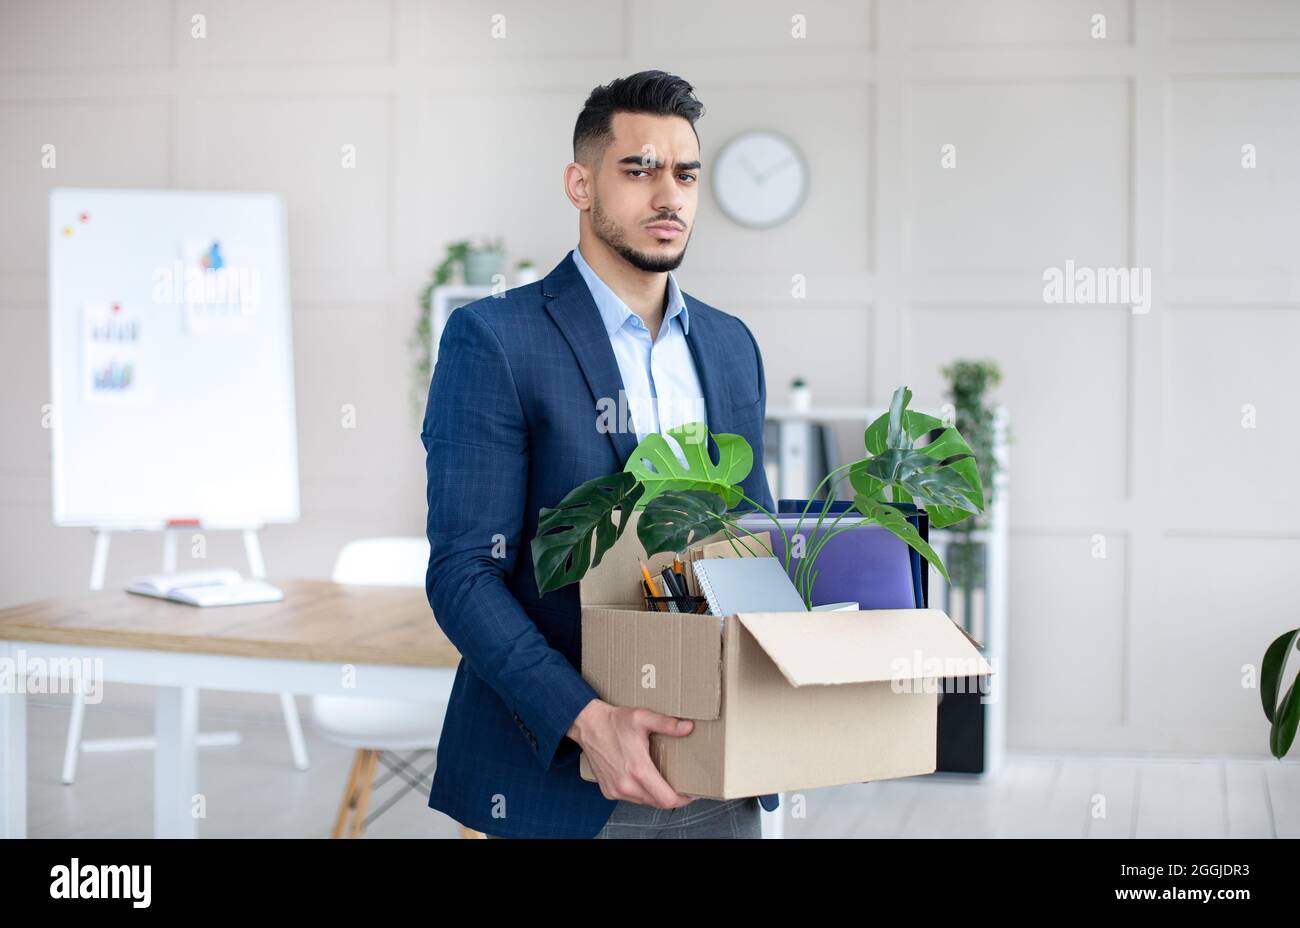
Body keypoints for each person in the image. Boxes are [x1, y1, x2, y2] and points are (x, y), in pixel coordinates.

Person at [422, 70, 778, 839]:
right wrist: (588, 721)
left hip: (725, 767)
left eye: (685, 173)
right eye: (640, 168)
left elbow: (756, 543)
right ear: (580, 184)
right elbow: (463, 572)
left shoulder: (730, 343)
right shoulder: (496, 339)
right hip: (568, 776)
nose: (669, 195)